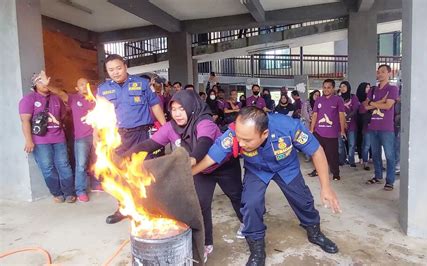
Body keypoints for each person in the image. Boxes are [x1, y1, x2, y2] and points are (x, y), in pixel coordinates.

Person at [192, 107, 341, 266]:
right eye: (239, 138)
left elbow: (316, 150)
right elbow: (211, 157)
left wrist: (326, 187)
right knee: (250, 204)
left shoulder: (288, 127)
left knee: (303, 200)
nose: (241, 143)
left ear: (264, 134)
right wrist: (190, 172)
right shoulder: (235, 133)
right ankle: (257, 248)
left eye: (247, 140)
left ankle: (314, 232)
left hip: (286, 168)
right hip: (257, 170)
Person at [123, 90, 244, 259]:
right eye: (173, 110)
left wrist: (191, 160)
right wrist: (124, 156)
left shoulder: (204, 122)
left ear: (191, 107)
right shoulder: (170, 127)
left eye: (181, 109)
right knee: (200, 204)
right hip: (200, 170)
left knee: (237, 196)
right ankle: (206, 243)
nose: (177, 114)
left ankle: (248, 224)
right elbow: (150, 144)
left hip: (223, 166)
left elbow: (204, 143)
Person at [97, 54, 166, 223]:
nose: (115, 72)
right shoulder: (103, 89)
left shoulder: (141, 84)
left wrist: (166, 128)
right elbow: (99, 115)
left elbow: (155, 105)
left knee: (145, 171)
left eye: (118, 68)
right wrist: (97, 137)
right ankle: (124, 208)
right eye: (111, 70)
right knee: (119, 173)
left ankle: (147, 208)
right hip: (116, 137)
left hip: (141, 135)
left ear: (125, 66)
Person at [19, 72, 75, 203]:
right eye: (40, 81)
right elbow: (25, 121)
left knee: (64, 165)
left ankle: (69, 193)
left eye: (45, 81)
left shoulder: (56, 98)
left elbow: (62, 116)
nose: (44, 84)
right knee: (47, 167)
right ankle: (57, 193)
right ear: (34, 85)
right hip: (40, 141)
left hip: (59, 138)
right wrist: (28, 140)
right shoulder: (28, 99)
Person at [48, 77, 99, 202]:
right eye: (81, 84)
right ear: (77, 88)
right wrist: (47, 85)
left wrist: (96, 135)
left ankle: (96, 184)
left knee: (97, 162)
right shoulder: (73, 99)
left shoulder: (95, 100)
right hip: (81, 138)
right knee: (81, 165)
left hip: (96, 136)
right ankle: (80, 191)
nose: (84, 86)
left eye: (86, 83)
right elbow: (60, 93)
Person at [364, 65, 398, 191]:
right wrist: (379, 103)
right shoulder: (372, 90)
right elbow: (365, 106)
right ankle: (378, 176)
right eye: (378, 72)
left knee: (389, 155)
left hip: (386, 128)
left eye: (383, 72)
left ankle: (390, 181)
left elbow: (388, 106)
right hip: (373, 127)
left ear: (389, 73)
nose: (380, 74)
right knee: (376, 154)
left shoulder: (392, 89)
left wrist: (373, 103)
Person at [309, 79, 346, 181]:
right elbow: (315, 114)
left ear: (333, 88)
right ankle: (318, 170)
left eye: (328, 87)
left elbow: (341, 115)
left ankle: (335, 173)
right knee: (317, 153)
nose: (326, 89)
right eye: (324, 87)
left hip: (332, 133)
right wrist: (311, 129)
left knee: (332, 155)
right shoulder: (319, 100)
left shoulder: (338, 100)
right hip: (318, 132)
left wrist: (342, 130)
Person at [338, 81, 360, 168]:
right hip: (339, 125)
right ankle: (341, 160)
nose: (342, 88)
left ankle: (351, 160)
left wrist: (345, 118)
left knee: (352, 144)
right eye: (341, 86)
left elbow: (355, 110)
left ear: (348, 87)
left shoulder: (353, 97)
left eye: (344, 86)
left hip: (352, 124)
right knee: (340, 144)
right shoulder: (338, 98)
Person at [355, 83, 372, 170]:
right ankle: (365, 161)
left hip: (375, 126)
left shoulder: (373, 100)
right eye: (367, 87)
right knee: (366, 145)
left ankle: (371, 160)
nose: (368, 89)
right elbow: (362, 111)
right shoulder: (361, 102)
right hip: (364, 126)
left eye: (369, 87)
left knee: (373, 146)